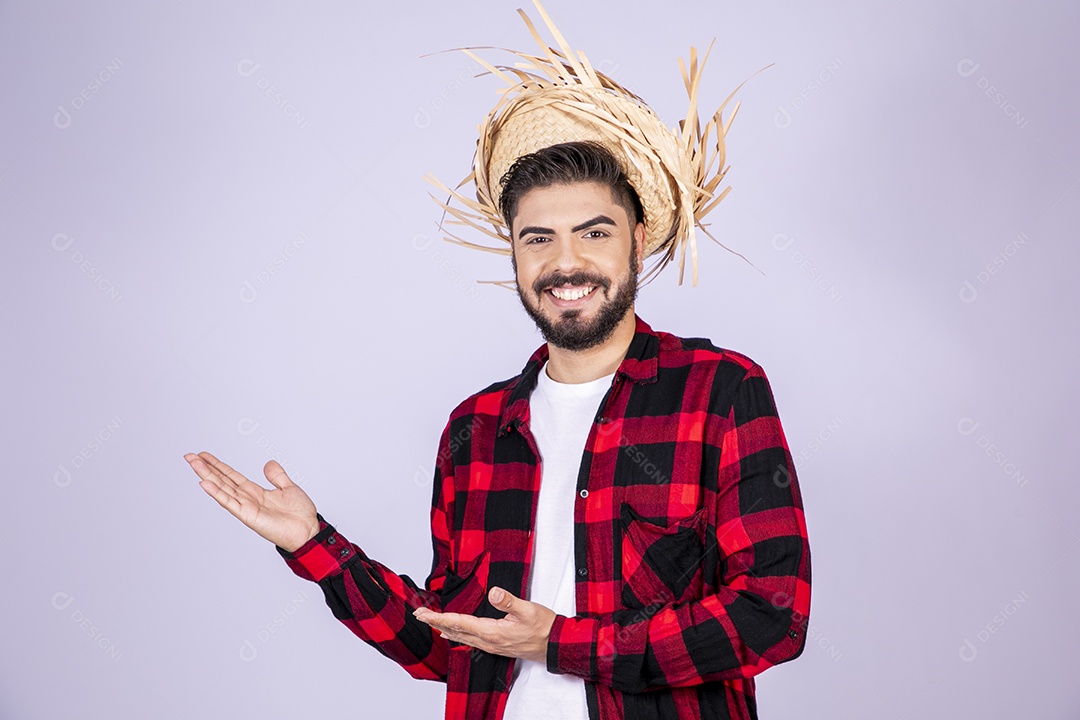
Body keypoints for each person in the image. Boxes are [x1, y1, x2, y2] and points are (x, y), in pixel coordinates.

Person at [185, 5, 809, 720]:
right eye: (538, 238)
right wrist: (314, 544)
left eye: (593, 233)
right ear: (513, 252)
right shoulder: (475, 430)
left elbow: (773, 615)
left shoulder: (720, 392)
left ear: (637, 240)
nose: (565, 262)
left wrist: (564, 643)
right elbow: (453, 648)